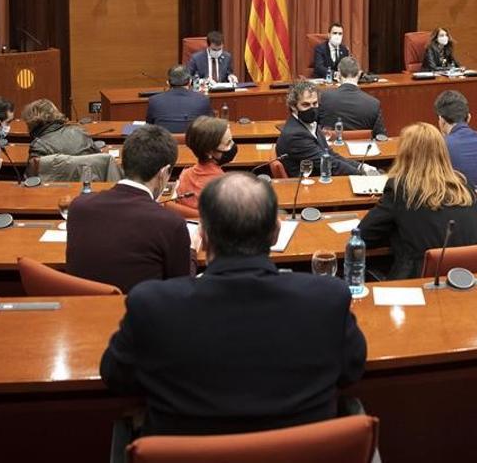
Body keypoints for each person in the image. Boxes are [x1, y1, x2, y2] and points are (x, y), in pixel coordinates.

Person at [101, 172, 366, 436]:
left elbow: (117, 378)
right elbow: (351, 370)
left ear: (202, 235)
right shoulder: (327, 300)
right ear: (275, 232)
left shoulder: (151, 305)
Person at [358, 123, 477, 280]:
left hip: (418, 285)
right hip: (465, 279)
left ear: (404, 154)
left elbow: (362, 238)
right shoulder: (462, 184)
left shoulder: (399, 189)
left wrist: (397, 233)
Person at [66, 124, 195, 293]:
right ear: (164, 173)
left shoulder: (78, 207)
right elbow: (181, 290)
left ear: (123, 164)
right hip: (141, 315)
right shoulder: (171, 224)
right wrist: (190, 252)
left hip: (84, 312)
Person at [275, 81, 376, 178]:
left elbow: (330, 154)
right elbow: (328, 163)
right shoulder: (295, 135)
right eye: (306, 105)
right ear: (293, 106)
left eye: (315, 104)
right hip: (310, 187)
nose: (312, 109)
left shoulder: (310, 124)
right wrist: (361, 175)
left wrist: (362, 167)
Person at [173, 115, 237, 210]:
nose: (233, 145)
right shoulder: (226, 187)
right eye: (228, 143)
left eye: (232, 140)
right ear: (209, 152)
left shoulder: (184, 175)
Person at [316, 57, 386, 138]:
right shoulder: (373, 103)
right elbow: (380, 136)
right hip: (362, 149)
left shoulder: (323, 97)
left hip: (330, 148)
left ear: (338, 74)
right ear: (359, 74)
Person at [146, 65, 212, 134]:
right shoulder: (203, 100)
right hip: (192, 143)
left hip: (165, 143)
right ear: (190, 81)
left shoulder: (154, 101)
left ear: (168, 83)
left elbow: (150, 126)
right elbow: (209, 126)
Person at [23, 98, 100, 157]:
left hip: (55, 178)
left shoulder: (38, 146)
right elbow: (98, 159)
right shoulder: (80, 132)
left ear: (30, 122)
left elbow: (32, 176)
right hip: (88, 177)